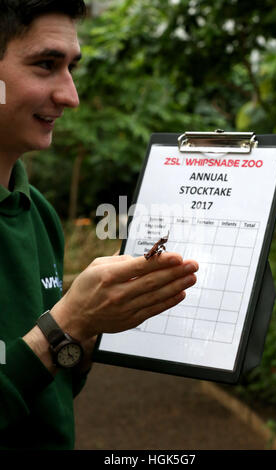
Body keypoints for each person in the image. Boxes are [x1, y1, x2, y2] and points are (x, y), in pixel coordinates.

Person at [0, 0, 198, 450]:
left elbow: (51, 396)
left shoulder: (39, 214)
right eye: (46, 65)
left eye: (71, 68)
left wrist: (84, 337)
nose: (70, 95)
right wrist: (65, 323)